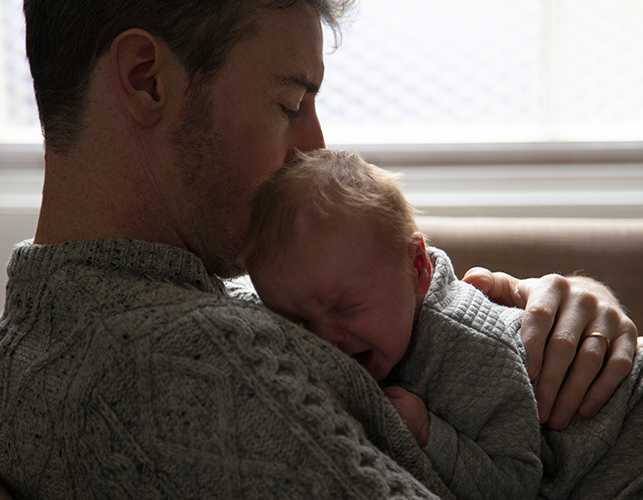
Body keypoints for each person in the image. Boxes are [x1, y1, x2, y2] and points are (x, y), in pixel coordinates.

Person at [0, 1, 637, 498]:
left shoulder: (83, 312)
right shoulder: (182, 366)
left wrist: (550, 312)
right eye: (289, 102)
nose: (314, 147)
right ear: (147, 79)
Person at [243, 148, 643, 499]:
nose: (324, 338)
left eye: (346, 306)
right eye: (295, 320)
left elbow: (514, 482)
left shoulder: (464, 347)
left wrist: (427, 433)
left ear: (417, 266)